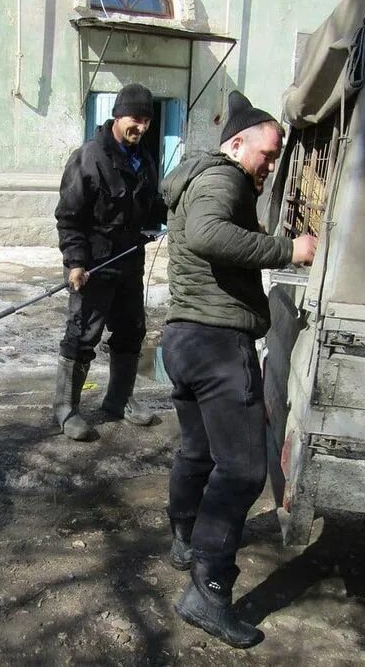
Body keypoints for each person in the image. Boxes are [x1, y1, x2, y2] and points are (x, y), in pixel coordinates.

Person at [159, 91, 318, 648]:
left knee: (199, 451)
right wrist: (286, 248)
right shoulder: (223, 177)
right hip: (216, 343)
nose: (270, 166)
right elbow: (208, 236)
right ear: (236, 143)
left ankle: (185, 537)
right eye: (267, 154)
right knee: (244, 469)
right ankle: (208, 594)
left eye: (276, 158)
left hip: (186, 338)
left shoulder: (199, 177)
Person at [52, 83, 167, 441]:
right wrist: (74, 263)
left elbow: (152, 207)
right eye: (136, 119)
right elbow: (69, 218)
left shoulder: (143, 158)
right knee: (83, 335)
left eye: (147, 120)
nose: (142, 127)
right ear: (118, 115)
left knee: (132, 331)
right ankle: (66, 410)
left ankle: (118, 400)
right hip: (93, 268)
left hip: (130, 263)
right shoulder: (88, 158)